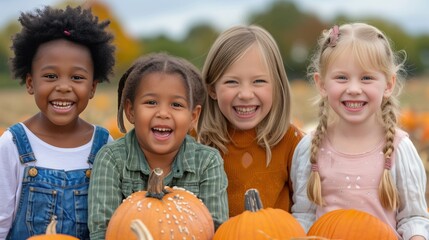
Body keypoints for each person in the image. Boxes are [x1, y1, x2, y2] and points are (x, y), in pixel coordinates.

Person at [291, 23, 429, 239]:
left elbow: (413, 218)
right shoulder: (310, 149)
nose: (354, 89)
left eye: (366, 78)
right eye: (341, 78)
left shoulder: (399, 150)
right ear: (321, 84)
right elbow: (303, 216)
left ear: (389, 84)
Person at [0, 5, 116, 240]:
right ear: (31, 83)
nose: (63, 87)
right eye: (51, 76)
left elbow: (112, 223)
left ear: (92, 87)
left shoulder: (105, 146)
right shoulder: (12, 144)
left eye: (77, 77)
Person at [88, 53, 229, 239]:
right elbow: (101, 232)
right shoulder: (111, 159)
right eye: (151, 102)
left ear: (193, 117)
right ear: (131, 111)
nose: (163, 113)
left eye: (176, 104)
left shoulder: (207, 162)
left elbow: (216, 231)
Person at [197, 25, 303, 217]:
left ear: (277, 86)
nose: (245, 94)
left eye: (259, 81)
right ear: (212, 89)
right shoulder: (196, 143)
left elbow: (305, 210)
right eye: (232, 82)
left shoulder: (292, 142)